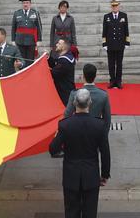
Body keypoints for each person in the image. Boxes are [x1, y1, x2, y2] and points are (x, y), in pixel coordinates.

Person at [49, 89, 110, 218]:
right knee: (90, 212)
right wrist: (104, 174)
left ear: (74, 102)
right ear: (90, 103)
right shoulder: (99, 125)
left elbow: (53, 149)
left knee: (71, 212)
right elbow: (105, 152)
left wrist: (57, 137)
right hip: (91, 175)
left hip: (71, 176)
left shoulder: (65, 125)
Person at [101, 0, 129, 89]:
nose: (114, 7)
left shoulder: (123, 15)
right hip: (110, 44)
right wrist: (104, 44)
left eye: (116, 6)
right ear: (111, 6)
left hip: (120, 43)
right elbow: (104, 31)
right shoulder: (107, 16)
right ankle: (112, 80)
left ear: (119, 6)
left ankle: (119, 81)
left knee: (119, 64)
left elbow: (126, 30)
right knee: (111, 64)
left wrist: (127, 42)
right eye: (113, 6)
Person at [12, 0, 42, 66]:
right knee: (21, 60)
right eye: (24, 3)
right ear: (22, 4)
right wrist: (13, 40)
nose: (25, 4)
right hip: (20, 41)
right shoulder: (17, 13)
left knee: (30, 60)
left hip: (31, 41)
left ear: (30, 4)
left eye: (27, 3)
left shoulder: (35, 13)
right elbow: (13, 27)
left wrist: (39, 40)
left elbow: (39, 27)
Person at [49, 38, 78, 104]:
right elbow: (55, 64)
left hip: (64, 94)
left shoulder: (65, 60)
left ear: (64, 47)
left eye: (59, 43)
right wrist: (48, 58)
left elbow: (54, 73)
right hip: (66, 91)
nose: (56, 45)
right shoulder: (67, 57)